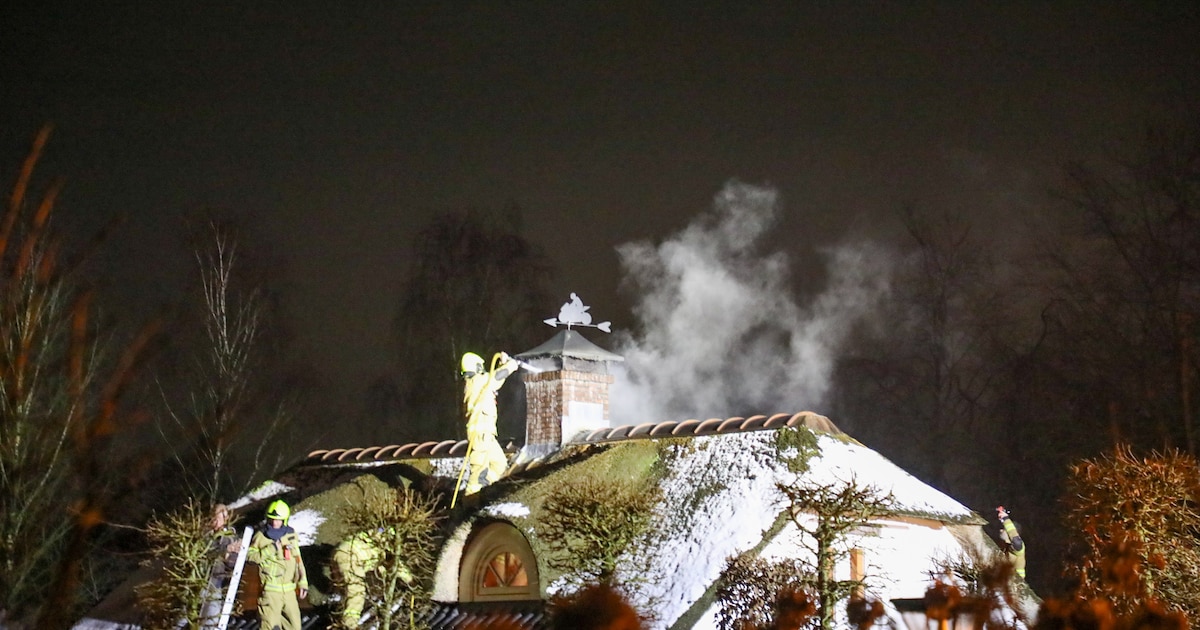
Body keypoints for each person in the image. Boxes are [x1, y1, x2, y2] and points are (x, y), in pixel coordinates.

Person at [461, 351, 520, 494]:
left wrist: (502, 364)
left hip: (488, 435)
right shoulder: (475, 381)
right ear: (476, 367)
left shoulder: (479, 383)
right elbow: (495, 377)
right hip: (480, 435)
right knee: (478, 472)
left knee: (499, 465)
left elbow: (495, 381)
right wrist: (511, 365)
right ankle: (471, 499)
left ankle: (485, 490)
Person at [246, 500, 308, 630]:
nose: (275, 523)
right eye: (272, 519)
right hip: (270, 592)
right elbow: (250, 557)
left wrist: (303, 582)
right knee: (269, 626)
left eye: (278, 520)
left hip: (289, 592)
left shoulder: (291, 535)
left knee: (295, 627)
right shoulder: (260, 536)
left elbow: (298, 560)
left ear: (284, 520)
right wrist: (271, 549)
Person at [333, 529, 412, 628]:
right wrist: (411, 581)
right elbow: (395, 565)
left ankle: (339, 612)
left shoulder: (379, 535)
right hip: (350, 557)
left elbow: (386, 567)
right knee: (357, 592)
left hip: (345, 553)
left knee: (348, 592)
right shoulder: (388, 541)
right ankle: (350, 625)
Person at [200, 504, 242, 629]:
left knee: (211, 617)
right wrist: (224, 551)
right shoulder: (204, 535)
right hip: (200, 581)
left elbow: (233, 563)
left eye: (218, 518)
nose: (215, 522)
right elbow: (205, 553)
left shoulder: (230, 537)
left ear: (225, 518)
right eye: (213, 518)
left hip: (216, 584)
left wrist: (229, 553)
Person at [996, 506, 1026, 580]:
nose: (1000, 530)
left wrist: (1005, 519)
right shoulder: (1004, 547)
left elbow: (1017, 542)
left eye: (1004, 529)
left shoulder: (1018, 549)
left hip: (1015, 582)